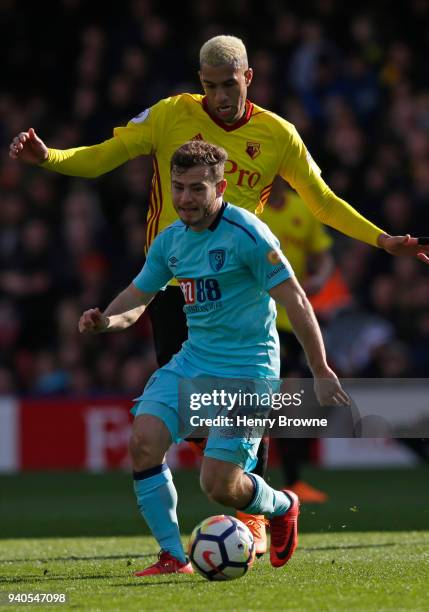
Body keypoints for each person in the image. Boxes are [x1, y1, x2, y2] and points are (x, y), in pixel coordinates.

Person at [9, 34, 429, 554]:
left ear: (248, 77)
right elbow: (101, 158)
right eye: (208, 86)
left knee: (238, 406)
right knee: (183, 423)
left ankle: (252, 515)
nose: (218, 96)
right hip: (173, 282)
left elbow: (322, 201)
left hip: (241, 288)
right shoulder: (170, 115)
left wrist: (382, 238)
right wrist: (50, 157)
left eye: (228, 85)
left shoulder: (278, 134)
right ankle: (221, 520)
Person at [78, 141, 349, 576]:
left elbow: (296, 300)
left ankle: (282, 506)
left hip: (248, 372)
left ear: (220, 187)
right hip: (194, 362)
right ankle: (172, 556)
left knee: (220, 487)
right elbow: (137, 296)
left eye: (196, 189)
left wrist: (320, 370)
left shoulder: (249, 235)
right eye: (178, 188)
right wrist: (106, 322)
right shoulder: (171, 241)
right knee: (143, 441)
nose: (185, 199)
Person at [260, 178, 334, 503]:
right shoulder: (251, 211)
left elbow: (323, 254)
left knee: (291, 399)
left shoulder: (302, 209)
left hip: (292, 320)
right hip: (257, 319)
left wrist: (319, 277)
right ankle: (252, 483)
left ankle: (290, 481)